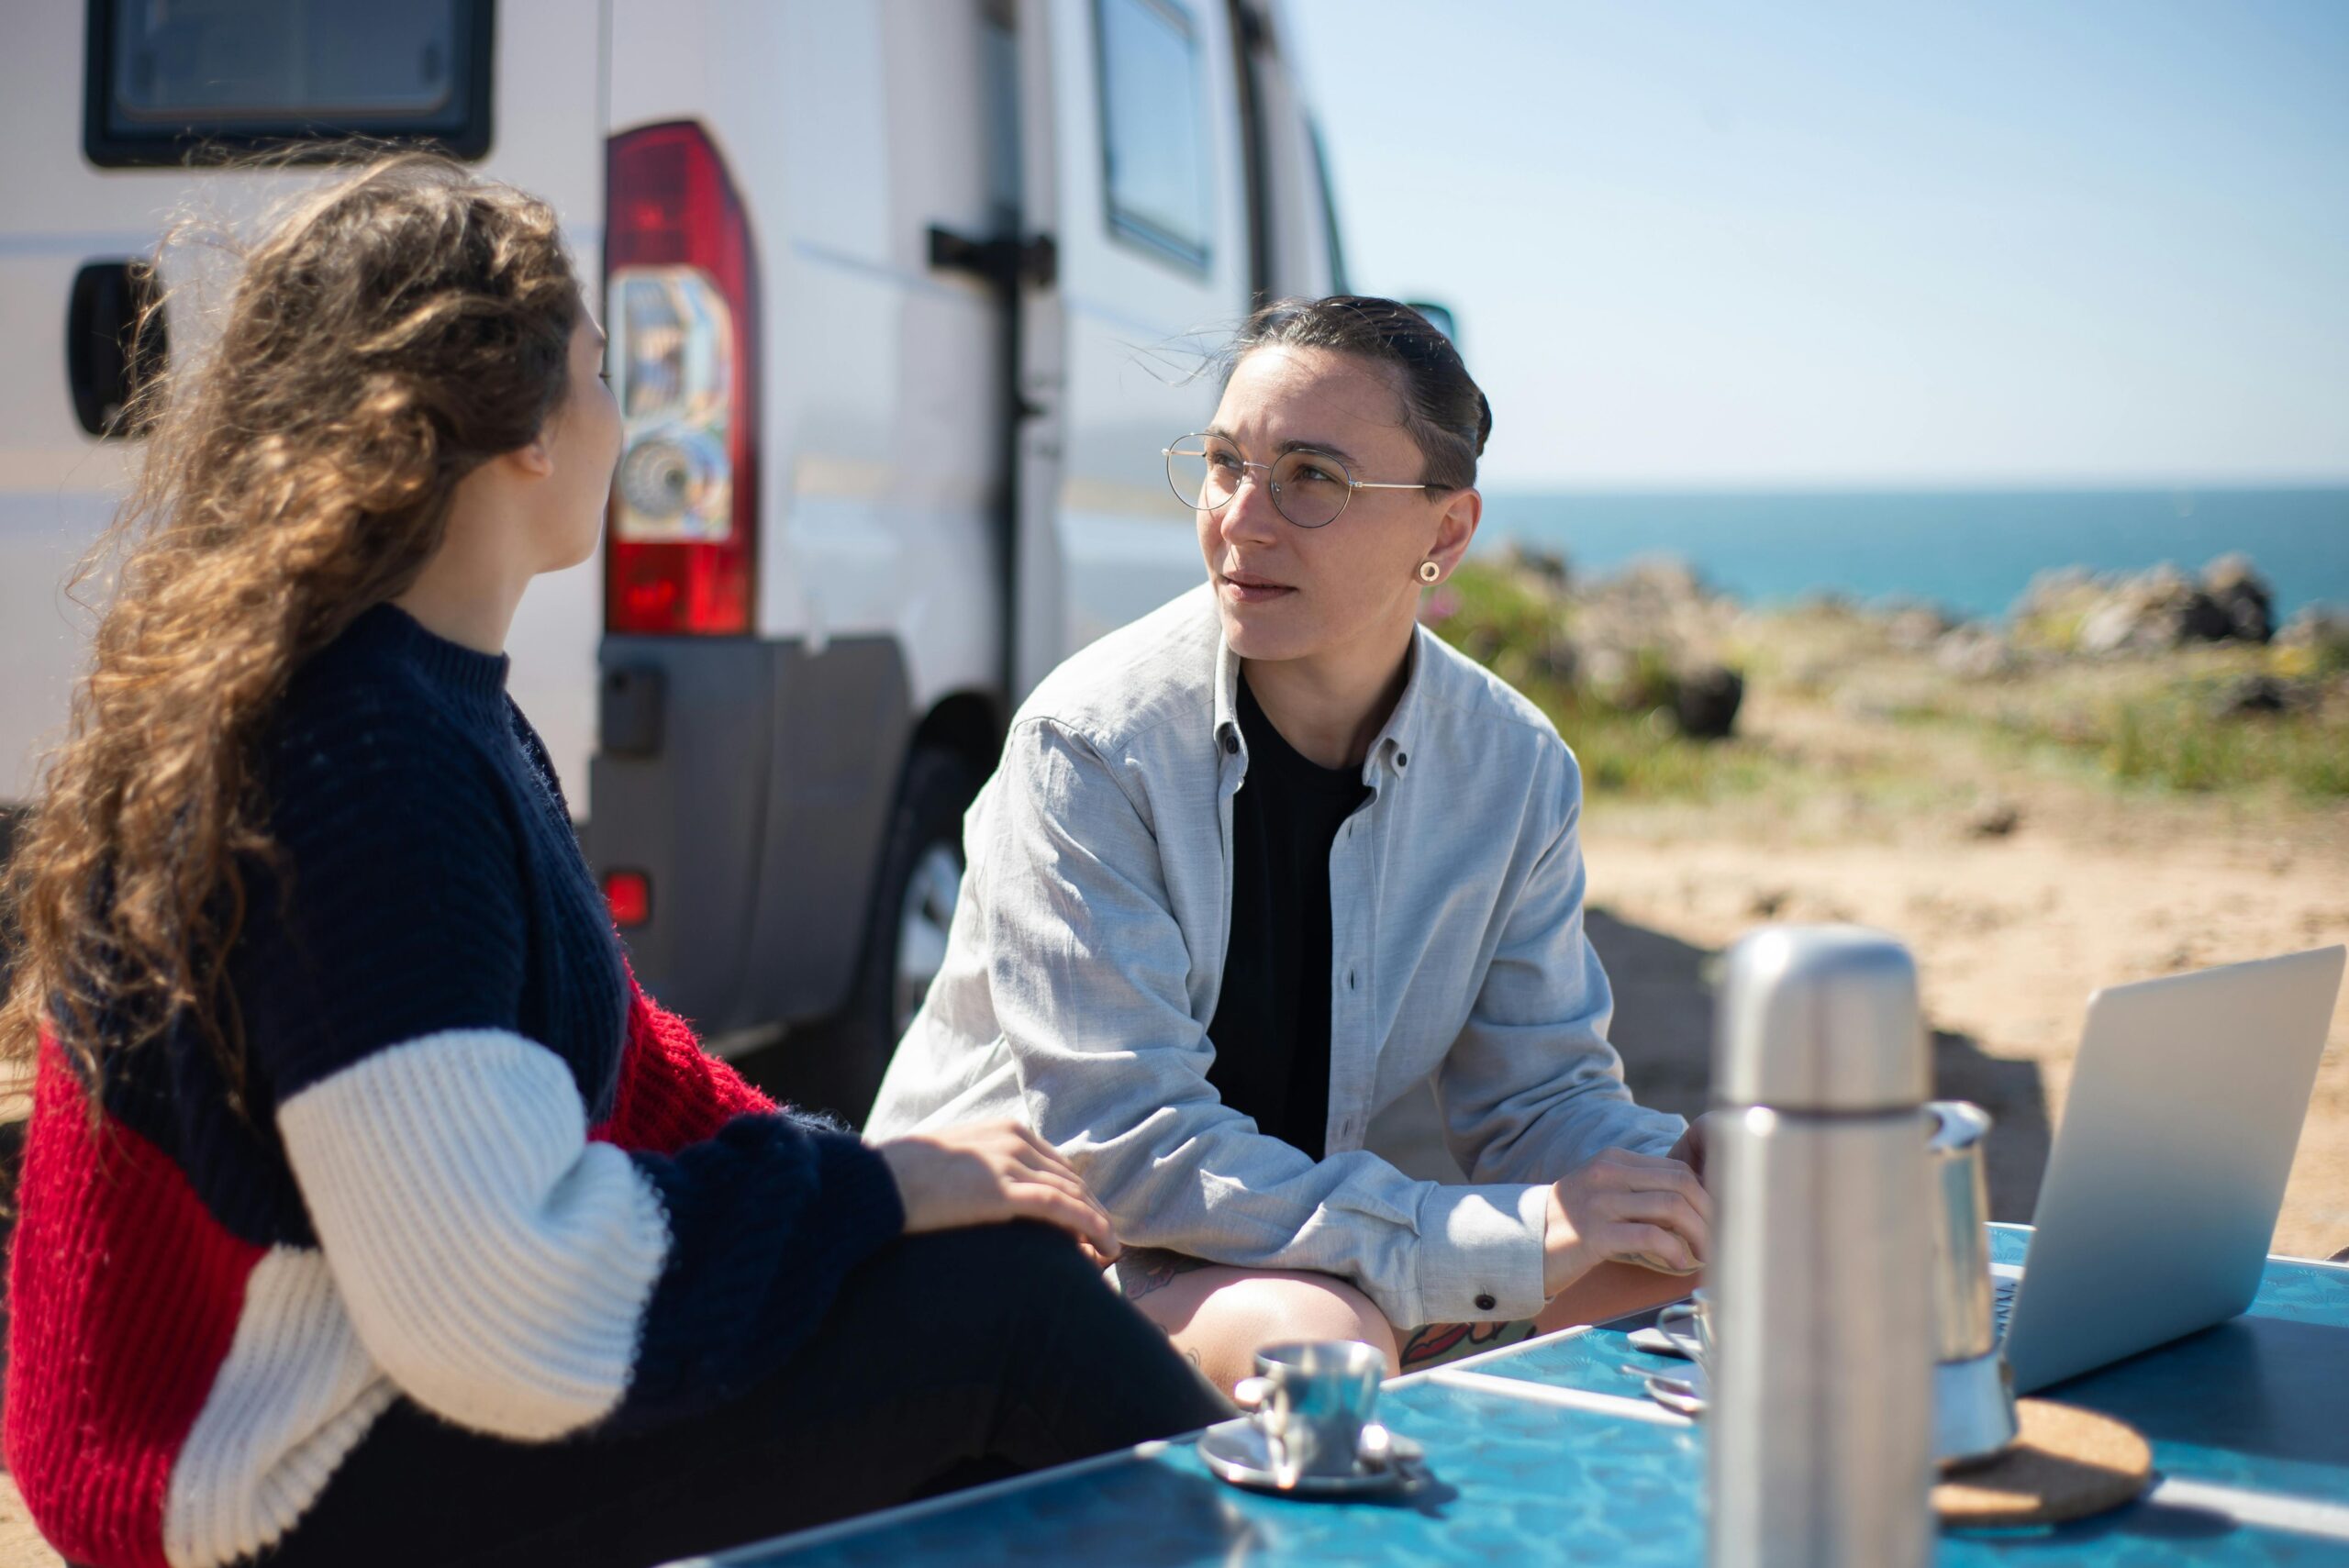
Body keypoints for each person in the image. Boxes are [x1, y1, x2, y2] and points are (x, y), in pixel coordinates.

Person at [0, 155, 1226, 1568]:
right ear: (518, 425)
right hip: (255, 1482)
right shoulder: (361, 757)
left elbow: (626, 1066)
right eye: (597, 369)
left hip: (302, 1411)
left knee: (956, 1285)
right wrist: (878, 1198)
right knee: (1007, 1319)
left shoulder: (409, 693)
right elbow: (506, 1311)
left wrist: (877, 1176)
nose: (619, 412)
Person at [868, 295, 1720, 1392]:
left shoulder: (1514, 763)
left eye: (1312, 477)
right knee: (1318, 1341)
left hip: (1280, 1255)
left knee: (1706, 1260)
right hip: (1038, 1263)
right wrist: (1503, 1239)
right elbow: (1129, 1150)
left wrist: (1671, 1176)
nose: (1241, 518)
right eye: (1226, 463)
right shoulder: (1087, 744)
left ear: (1445, 531)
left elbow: (1538, 1100)